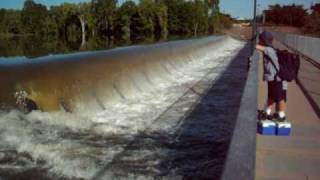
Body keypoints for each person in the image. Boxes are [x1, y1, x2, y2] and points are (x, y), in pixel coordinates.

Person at [256, 31, 287, 122]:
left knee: (280, 98)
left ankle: (281, 115)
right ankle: (267, 112)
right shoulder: (270, 48)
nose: (259, 40)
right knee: (272, 96)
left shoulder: (268, 49)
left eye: (260, 39)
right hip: (274, 78)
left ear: (264, 40)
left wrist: (254, 42)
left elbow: (256, 47)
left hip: (277, 79)